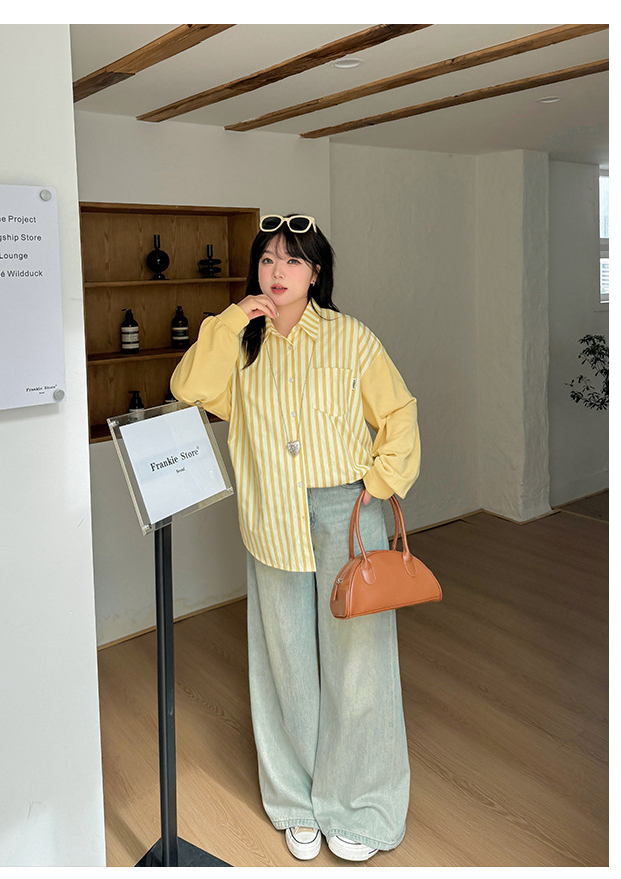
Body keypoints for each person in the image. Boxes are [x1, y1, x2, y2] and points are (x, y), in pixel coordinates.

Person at [170, 213, 420, 863]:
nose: (277, 272)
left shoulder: (350, 337)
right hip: (272, 515)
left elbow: (398, 411)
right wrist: (232, 318)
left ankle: (360, 804)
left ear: (316, 273)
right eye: (267, 259)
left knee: (359, 665)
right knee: (285, 662)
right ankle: (297, 801)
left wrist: (379, 482)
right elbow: (188, 387)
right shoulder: (241, 343)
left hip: (347, 514)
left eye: (293, 260)